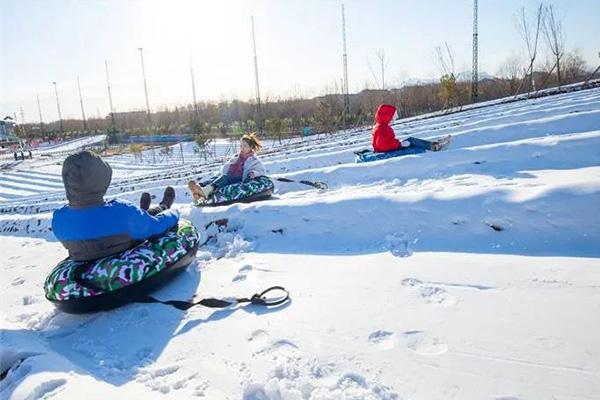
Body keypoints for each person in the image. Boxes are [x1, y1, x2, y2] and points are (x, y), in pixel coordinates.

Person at [52, 150, 179, 262]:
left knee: (136, 220)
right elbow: (156, 226)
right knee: (140, 221)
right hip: (125, 250)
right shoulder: (121, 211)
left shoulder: (58, 219)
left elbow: (88, 226)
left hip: (89, 257)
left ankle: (143, 210)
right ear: (100, 180)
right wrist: (174, 214)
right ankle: (164, 206)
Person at [188, 133, 266, 200]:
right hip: (230, 176)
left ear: (251, 147)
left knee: (225, 178)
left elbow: (261, 170)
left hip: (239, 178)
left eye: (245, 146)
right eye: (241, 145)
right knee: (215, 178)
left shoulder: (254, 160)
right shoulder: (236, 156)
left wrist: (254, 173)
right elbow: (227, 167)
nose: (242, 148)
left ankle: (206, 191)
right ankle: (198, 188)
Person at [372, 104, 449, 153]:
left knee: (411, 141)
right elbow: (382, 146)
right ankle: (435, 146)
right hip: (389, 150)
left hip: (392, 147)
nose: (396, 118)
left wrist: (398, 144)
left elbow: (385, 143)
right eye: (394, 116)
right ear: (387, 116)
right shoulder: (382, 128)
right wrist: (399, 144)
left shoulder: (381, 126)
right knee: (412, 141)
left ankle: (434, 144)